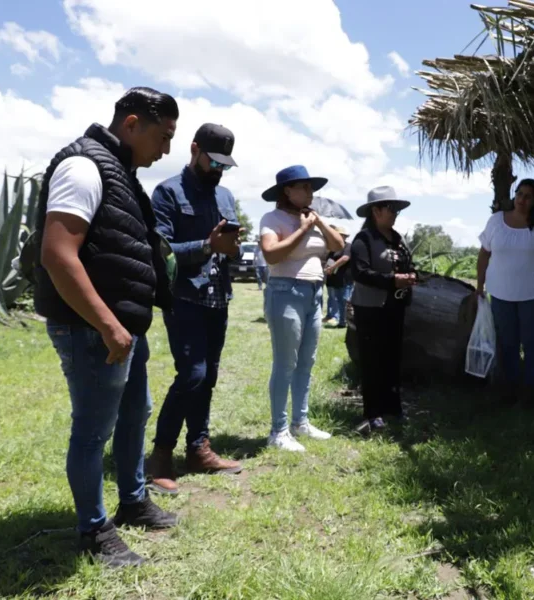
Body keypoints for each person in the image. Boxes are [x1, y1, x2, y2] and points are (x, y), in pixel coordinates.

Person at [34, 87, 180, 567]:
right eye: (163, 136)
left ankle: (133, 500)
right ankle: (94, 530)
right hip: (92, 329)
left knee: (136, 411)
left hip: (122, 329)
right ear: (132, 123)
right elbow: (58, 254)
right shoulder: (85, 167)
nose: (167, 150)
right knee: (94, 430)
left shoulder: (120, 172)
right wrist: (108, 325)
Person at [147, 124, 244, 496]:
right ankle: (160, 455)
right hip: (185, 297)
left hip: (218, 297)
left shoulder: (226, 196)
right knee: (192, 374)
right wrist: (207, 245)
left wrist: (231, 248)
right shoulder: (168, 192)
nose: (219, 169)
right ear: (194, 149)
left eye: (226, 165)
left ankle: (198, 449)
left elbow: (228, 245)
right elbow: (162, 251)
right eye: (214, 161)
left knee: (210, 375)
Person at [259, 165, 345, 451]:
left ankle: (301, 422)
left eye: (312, 188)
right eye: (305, 187)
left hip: (313, 292)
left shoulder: (313, 218)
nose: (311, 192)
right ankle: (279, 431)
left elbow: (338, 245)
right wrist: (304, 229)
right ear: (287, 190)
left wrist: (318, 224)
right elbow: (272, 254)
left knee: (306, 362)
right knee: (286, 363)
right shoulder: (272, 218)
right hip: (285, 291)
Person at [476, 179, 534, 407]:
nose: (521, 199)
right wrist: (479, 287)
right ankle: (508, 389)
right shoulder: (496, 222)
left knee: (531, 343)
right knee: (507, 343)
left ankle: (529, 390)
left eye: (528, 196)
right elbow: (484, 255)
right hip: (500, 294)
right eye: (519, 193)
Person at [350, 186, 415, 433]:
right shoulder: (363, 239)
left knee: (392, 358)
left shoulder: (397, 239)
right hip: (370, 308)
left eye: (396, 208)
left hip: (395, 307)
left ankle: (393, 408)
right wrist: (392, 280)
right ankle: (372, 412)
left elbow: (408, 264)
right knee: (372, 360)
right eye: (390, 208)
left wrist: (410, 276)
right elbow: (360, 272)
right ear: (375, 211)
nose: (395, 213)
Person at [323, 225, 353, 328]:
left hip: (345, 279)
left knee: (346, 300)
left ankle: (349, 321)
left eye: (341, 235)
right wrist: (328, 268)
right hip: (335, 279)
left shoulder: (348, 246)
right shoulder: (333, 248)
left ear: (345, 236)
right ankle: (342, 322)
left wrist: (332, 267)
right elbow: (329, 260)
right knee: (339, 301)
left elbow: (345, 258)